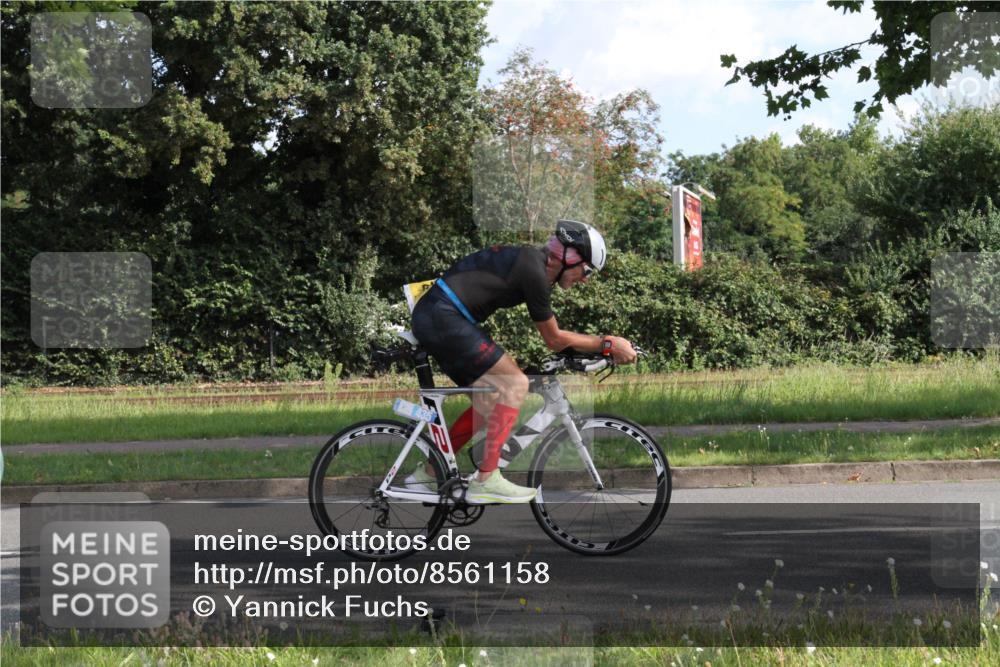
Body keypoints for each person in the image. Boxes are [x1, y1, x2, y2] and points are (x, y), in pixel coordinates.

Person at [407, 220, 638, 503]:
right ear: (570, 257)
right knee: (514, 383)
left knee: (489, 400)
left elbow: (554, 336)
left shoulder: (532, 264)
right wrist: (608, 343)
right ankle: (486, 480)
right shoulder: (534, 271)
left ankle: (426, 475)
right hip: (443, 316)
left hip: (439, 315)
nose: (585, 279)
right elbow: (554, 338)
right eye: (587, 270)